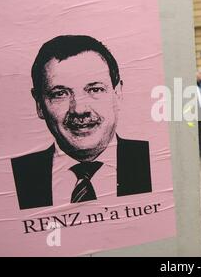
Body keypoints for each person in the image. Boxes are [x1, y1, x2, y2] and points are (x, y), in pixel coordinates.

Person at [11, 35, 152, 210]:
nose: (78, 109)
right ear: (39, 104)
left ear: (118, 93)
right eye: (60, 93)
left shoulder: (153, 160)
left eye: (95, 89)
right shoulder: (16, 177)